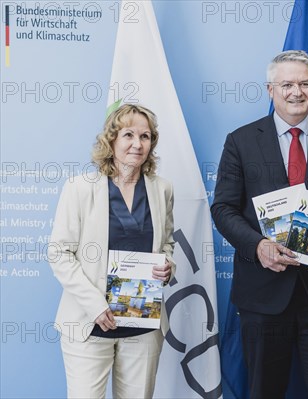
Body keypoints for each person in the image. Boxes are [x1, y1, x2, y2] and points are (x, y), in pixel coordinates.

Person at [211, 50, 308, 398]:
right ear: (270, 89)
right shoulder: (241, 141)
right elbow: (223, 208)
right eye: (287, 84)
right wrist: (257, 246)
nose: (296, 92)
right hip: (263, 294)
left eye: (304, 83)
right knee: (264, 390)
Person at [48, 104, 175, 398]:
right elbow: (59, 252)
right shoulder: (80, 188)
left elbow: (167, 243)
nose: (137, 143)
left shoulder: (162, 189)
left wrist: (168, 266)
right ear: (112, 140)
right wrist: (95, 305)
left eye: (145, 136)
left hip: (142, 325)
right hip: (88, 322)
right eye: (128, 134)